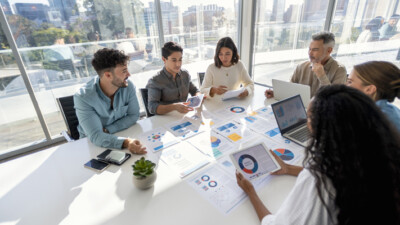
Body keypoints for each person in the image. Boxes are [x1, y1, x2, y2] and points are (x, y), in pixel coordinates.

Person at [237, 85, 400, 225]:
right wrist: (288, 168)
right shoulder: (375, 156)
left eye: (309, 117)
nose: (305, 121)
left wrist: (251, 193)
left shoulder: (318, 178)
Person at [74, 48, 146, 155]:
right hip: (91, 144)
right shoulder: (83, 97)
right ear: (108, 75)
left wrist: (108, 130)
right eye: (124, 71)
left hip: (121, 132)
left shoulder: (128, 86)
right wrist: (126, 142)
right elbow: (96, 136)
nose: (129, 74)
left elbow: (133, 115)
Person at [265, 31, 347, 98]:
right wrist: (277, 93)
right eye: (309, 49)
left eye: (315, 50)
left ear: (329, 51)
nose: (310, 53)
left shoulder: (339, 70)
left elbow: (334, 100)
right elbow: (290, 89)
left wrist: (322, 76)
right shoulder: (302, 66)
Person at [146, 41, 201, 115]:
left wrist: (197, 98)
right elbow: (152, 107)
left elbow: (195, 90)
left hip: (184, 116)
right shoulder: (155, 81)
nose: (178, 64)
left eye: (180, 59)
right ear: (164, 59)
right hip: (166, 119)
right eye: (174, 60)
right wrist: (174, 107)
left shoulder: (185, 74)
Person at [346, 61, 400, 132]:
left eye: (350, 82)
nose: (345, 85)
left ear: (369, 89)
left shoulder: (374, 118)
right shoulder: (390, 110)